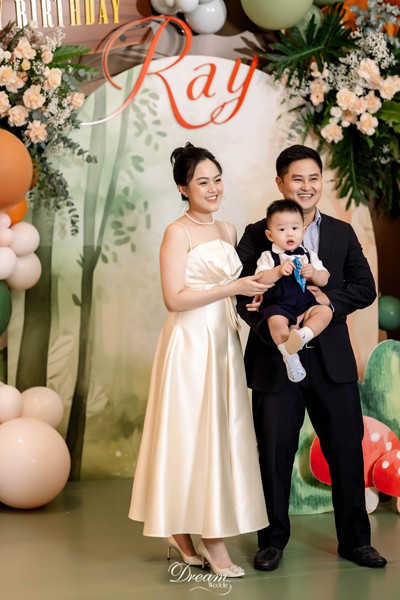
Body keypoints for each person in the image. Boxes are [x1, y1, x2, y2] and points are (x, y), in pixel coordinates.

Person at [236, 144, 387, 571]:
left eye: (314, 178)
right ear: (280, 182)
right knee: (274, 453)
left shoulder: (340, 233)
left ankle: (355, 542)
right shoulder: (258, 233)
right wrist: (272, 320)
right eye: (297, 178)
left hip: (331, 361)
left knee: (346, 450)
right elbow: (241, 295)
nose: (306, 186)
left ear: (322, 182)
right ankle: (271, 542)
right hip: (277, 362)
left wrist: (328, 301)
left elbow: (364, 287)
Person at [129, 142, 270, 578]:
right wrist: (233, 288)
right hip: (189, 343)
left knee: (219, 434)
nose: (213, 189)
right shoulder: (178, 232)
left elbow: (237, 288)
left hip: (223, 340)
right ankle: (209, 538)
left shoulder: (228, 229)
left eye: (217, 179)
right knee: (190, 432)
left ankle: (190, 530)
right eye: (202, 182)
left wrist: (253, 294)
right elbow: (174, 298)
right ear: (183, 188)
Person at [255, 199, 332, 383]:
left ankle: (302, 336)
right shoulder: (268, 256)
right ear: (270, 235)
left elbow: (325, 278)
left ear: (303, 231)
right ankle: (291, 357)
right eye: (282, 229)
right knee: (275, 321)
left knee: (325, 312)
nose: (289, 233)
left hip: (305, 304)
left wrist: (314, 273)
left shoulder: (309, 255)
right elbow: (260, 279)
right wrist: (277, 271)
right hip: (279, 305)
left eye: (295, 228)